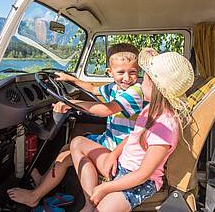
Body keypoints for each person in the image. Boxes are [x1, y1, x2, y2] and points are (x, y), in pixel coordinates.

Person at [7, 43, 146, 208]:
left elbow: (105, 110)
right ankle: (43, 183)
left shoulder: (135, 91)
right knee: (66, 149)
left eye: (133, 72)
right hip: (110, 140)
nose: (127, 78)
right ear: (110, 73)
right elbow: (93, 89)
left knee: (76, 146)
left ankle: (36, 196)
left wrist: (71, 103)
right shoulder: (114, 88)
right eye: (121, 72)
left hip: (123, 148)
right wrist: (70, 79)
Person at [70, 49, 194, 212]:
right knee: (77, 143)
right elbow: (133, 136)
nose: (141, 84)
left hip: (140, 182)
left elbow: (143, 174)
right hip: (122, 165)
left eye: (145, 79)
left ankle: (94, 201)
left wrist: (105, 188)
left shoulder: (165, 126)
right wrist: (114, 154)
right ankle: (89, 202)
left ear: (154, 87)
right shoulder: (150, 109)